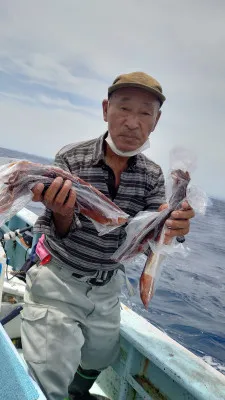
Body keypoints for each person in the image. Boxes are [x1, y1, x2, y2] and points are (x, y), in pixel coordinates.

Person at [21, 72, 195, 400]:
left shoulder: (152, 174)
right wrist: (62, 212)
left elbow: (153, 235)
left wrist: (176, 227)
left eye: (145, 113)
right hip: (60, 278)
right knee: (48, 370)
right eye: (124, 109)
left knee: (102, 355)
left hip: (108, 286)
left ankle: (77, 393)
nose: (132, 123)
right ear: (105, 110)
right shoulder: (71, 159)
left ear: (156, 122)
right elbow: (52, 229)